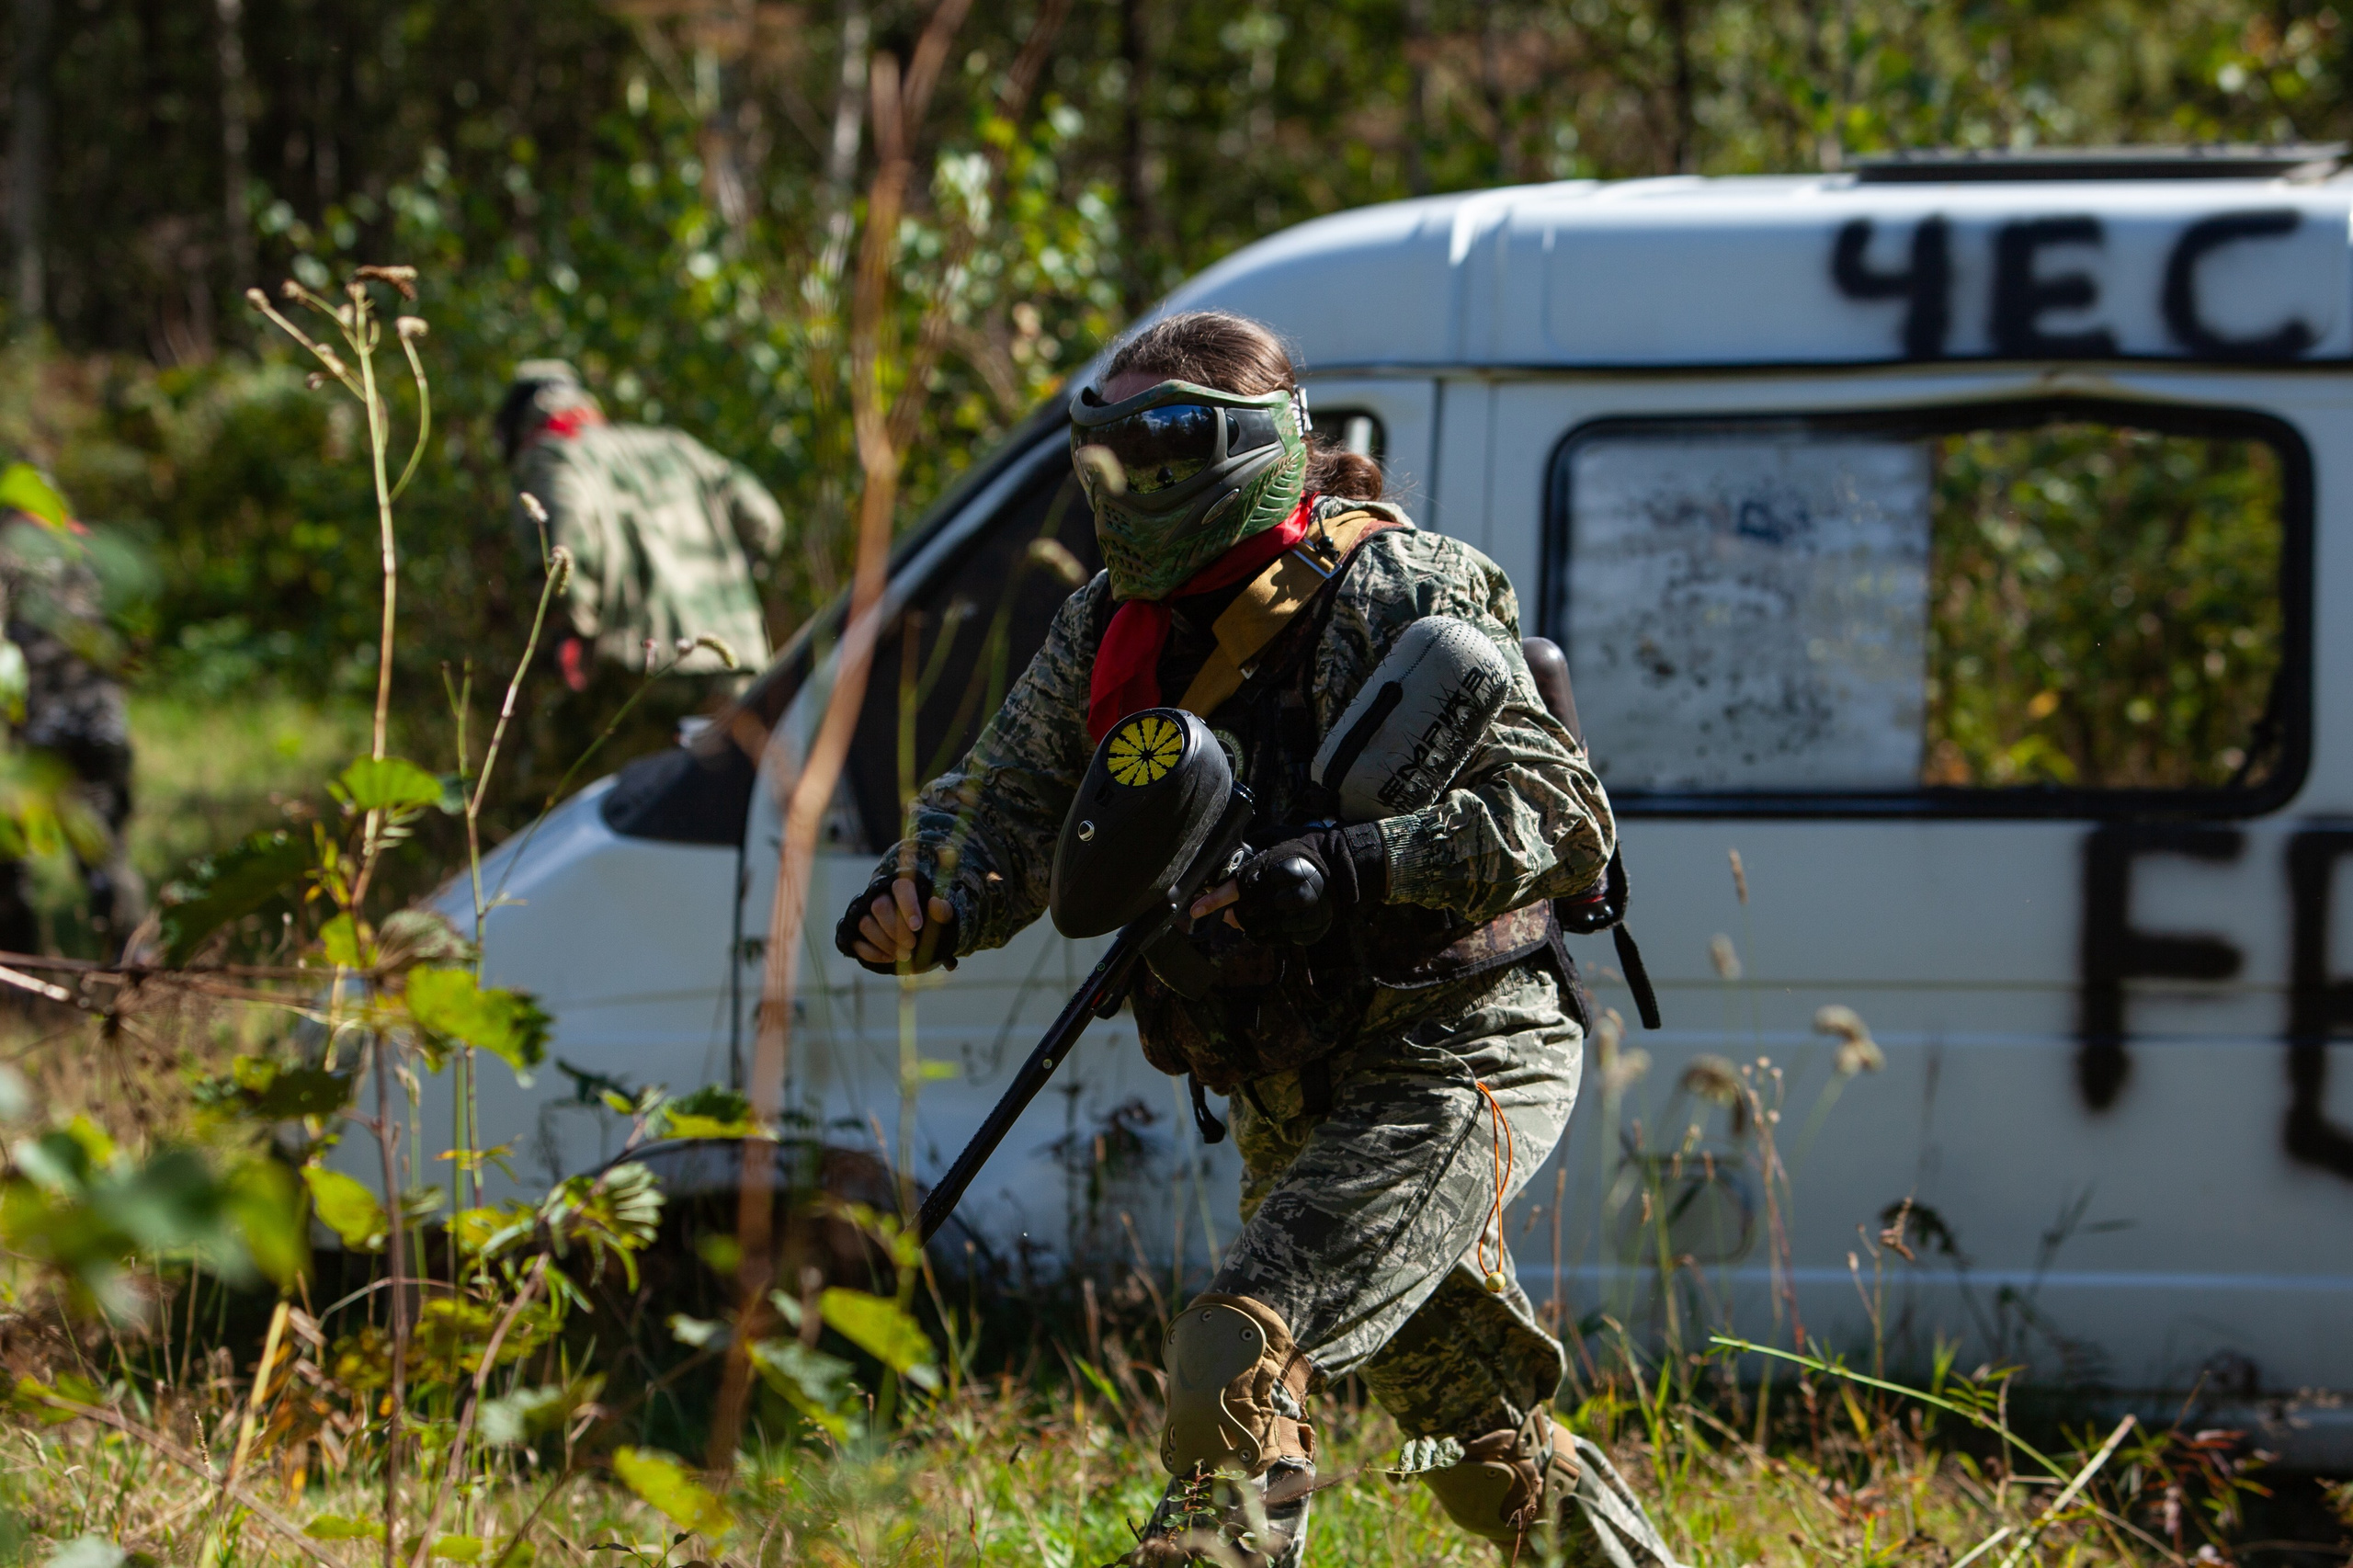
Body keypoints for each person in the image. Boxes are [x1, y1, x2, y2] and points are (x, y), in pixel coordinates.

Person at [834, 312, 1681, 1566]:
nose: (1130, 483)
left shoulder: (1399, 587)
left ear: (1248, 446)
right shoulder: (1112, 625)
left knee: (1240, 1349)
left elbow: (1559, 814)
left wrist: (1344, 865)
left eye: (1163, 446)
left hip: (1454, 1051)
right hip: (1290, 1074)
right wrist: (928, 892)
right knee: (1476, 1444)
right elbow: (1005, 798)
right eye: (1109, 452)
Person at [493, 360, 783, 780]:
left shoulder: (553, 456)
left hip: (640, 674)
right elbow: (764, 521)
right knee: (743, 799)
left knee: (601, 801)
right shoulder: (676, 448)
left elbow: (565, 548)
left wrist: (572, 631)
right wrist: (729, 594)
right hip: (738, 665)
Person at [0, 461, 142, 958]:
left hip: (38, 739)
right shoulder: (90, 552)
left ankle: (19, 979)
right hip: (102, 725)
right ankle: (138, 972)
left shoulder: (9, 557)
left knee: (7, 867)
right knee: (106, 858)